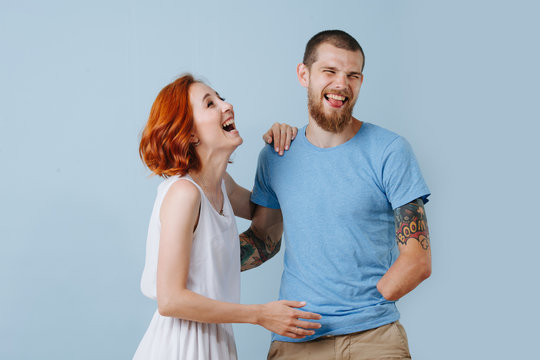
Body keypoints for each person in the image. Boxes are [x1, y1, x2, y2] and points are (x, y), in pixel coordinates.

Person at [236, 30, 432, 359]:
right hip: (296, 338)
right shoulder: (276, 155)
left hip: (374, 338)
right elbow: (263, 240)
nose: (341, 84)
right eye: (330, 71)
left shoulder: (390, 151)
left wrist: (373, 301)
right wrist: (200, 261)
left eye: (352, 75)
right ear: (304, 74)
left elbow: (417, 259)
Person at [133, 74, 321, 360]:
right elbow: (170, 300)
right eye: (210, 104)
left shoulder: (223, 185)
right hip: (179, 347)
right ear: (190, 132)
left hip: (216, 343)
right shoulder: (184, 193)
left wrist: (280, 152)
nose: (227, 105)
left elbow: (270, 211)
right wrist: (260, 315)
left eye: (221, 97)